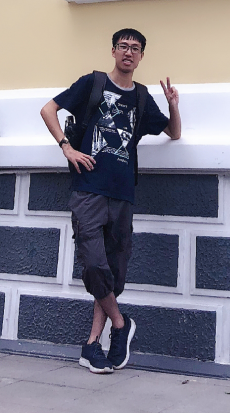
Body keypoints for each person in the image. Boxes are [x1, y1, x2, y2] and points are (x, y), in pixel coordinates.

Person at [40, 28, 181, 374]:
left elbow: (174, 132)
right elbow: (48, 110)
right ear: (114, 51)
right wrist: (66, 147)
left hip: (123, 195)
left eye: (135, 48)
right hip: (88, 189)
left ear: (142, 56)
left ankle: (92, 346)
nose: (128, 52)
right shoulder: (93, 83)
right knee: (93, 263)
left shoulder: (143, 98)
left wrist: (173, 106)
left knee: (112, 273)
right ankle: (121, 323)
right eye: (123, 46)